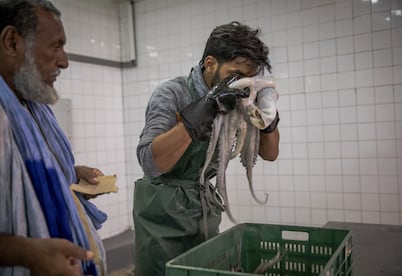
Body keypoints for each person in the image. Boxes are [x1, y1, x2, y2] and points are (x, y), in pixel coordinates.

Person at [133, 21, 280, 275]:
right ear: (210, 63)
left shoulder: (240, 100)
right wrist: (206, 107)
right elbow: (150, 161)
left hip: (203, 209)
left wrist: (268, 120)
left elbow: (269, 153)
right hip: (162, 212)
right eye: (235, 75)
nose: (242, 85)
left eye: (249, 78)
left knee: (206, 268)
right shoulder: (172, 93)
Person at [0, 0, 108, 275]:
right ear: (12, 42)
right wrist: (28, 253)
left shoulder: (34, 108)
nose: (65, 61)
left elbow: (23, 174)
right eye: (56, 46)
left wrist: (70, 173)